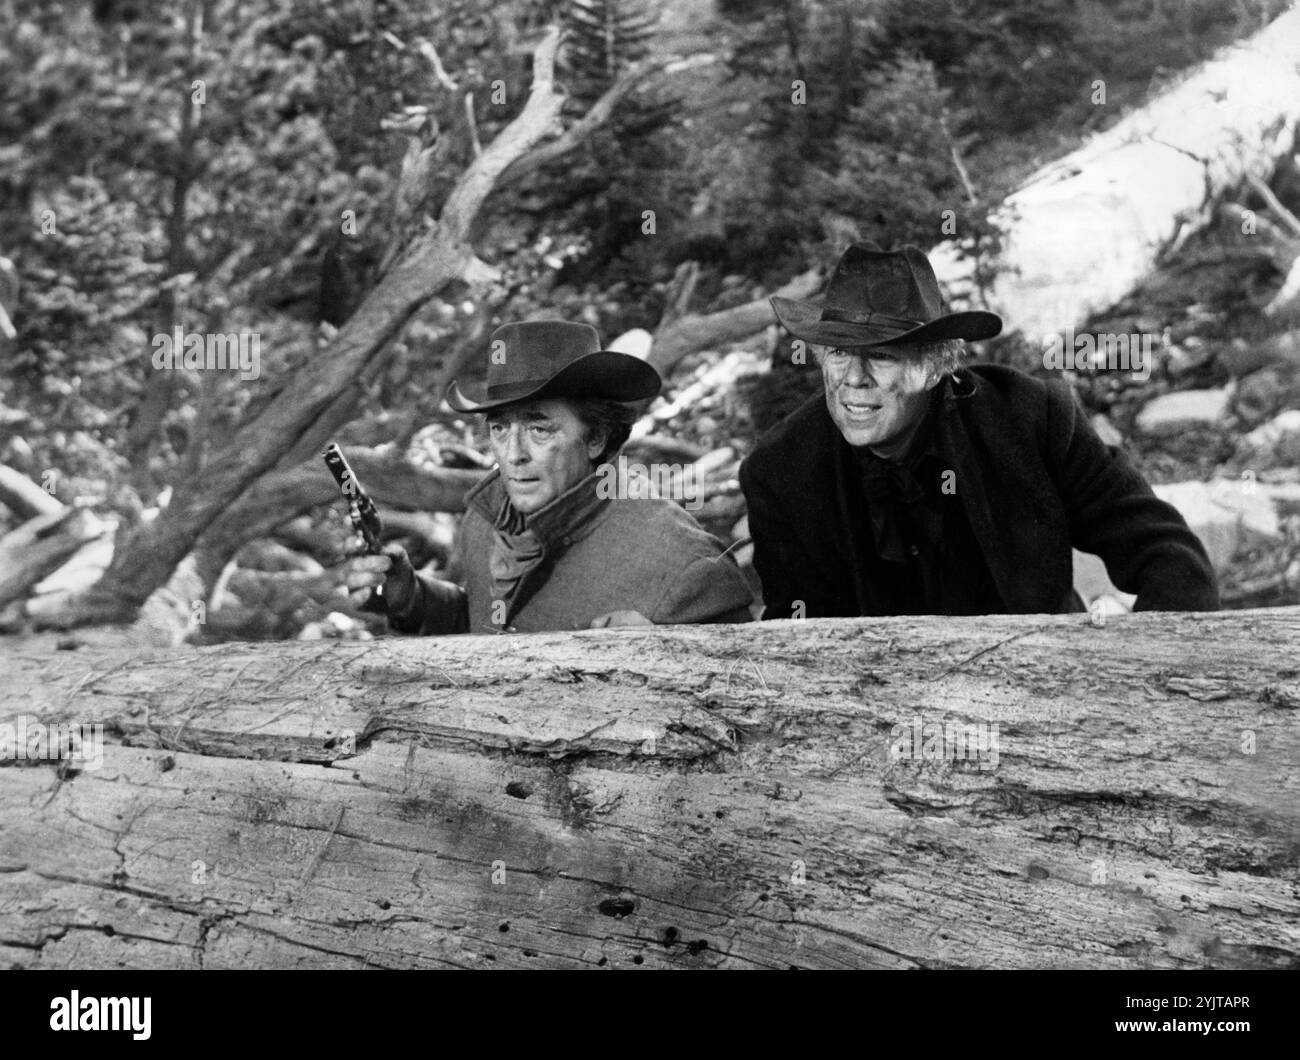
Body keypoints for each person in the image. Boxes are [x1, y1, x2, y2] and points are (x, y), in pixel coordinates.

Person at [739, 242, 1219, 618]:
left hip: (1042, 696)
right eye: (839, 353)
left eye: (882, 355)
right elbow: (795, 638)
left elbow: (1168, 553)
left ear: (934, 366)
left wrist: (1151, 665)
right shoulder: (781, 471)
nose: (854, 379)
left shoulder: (1030, 418)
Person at [346, 320, 753, 633]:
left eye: (539, 429)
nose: (513, 456)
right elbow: (487, 628)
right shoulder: (486, 520)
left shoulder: (687, 567)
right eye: (500, 429)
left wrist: (663, 665)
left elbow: (751, 702)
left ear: (595, 437)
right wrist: (413, 599)